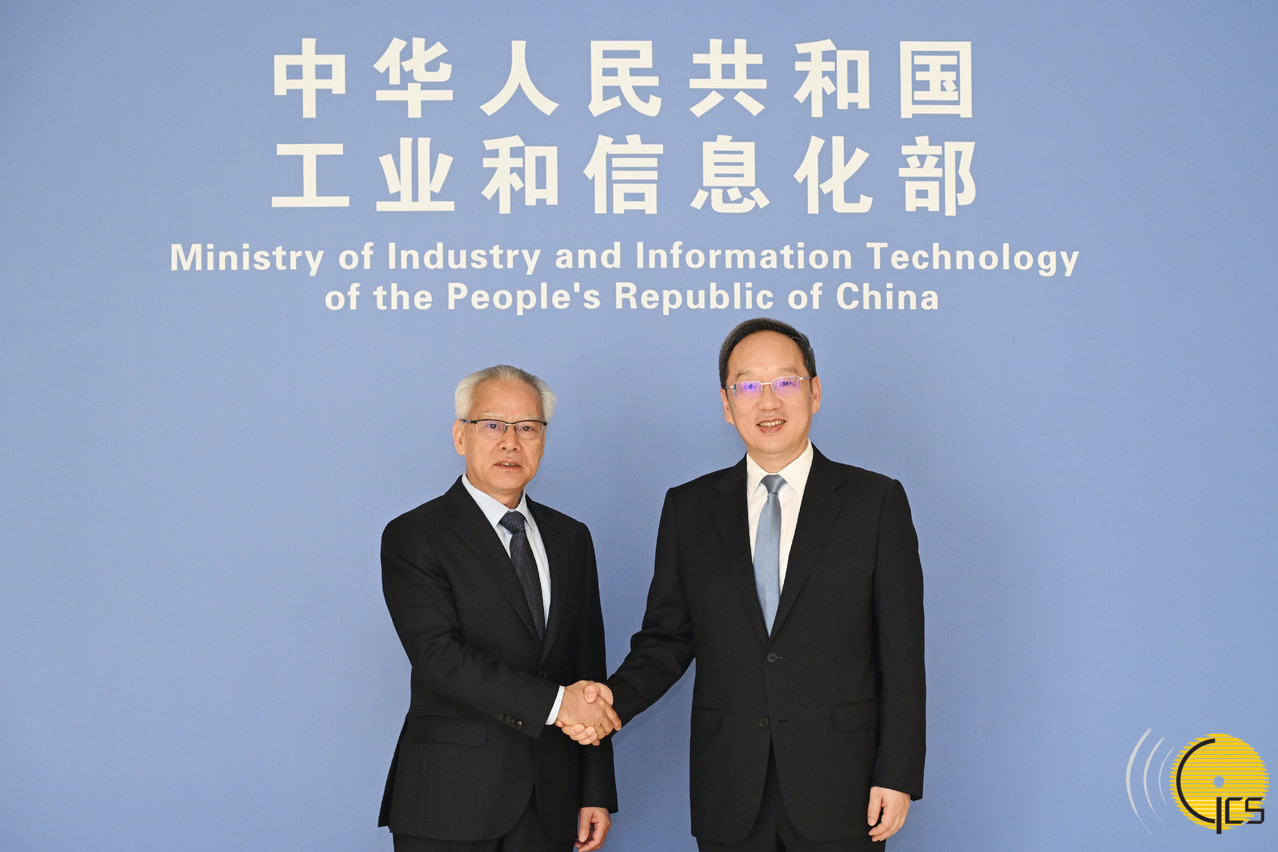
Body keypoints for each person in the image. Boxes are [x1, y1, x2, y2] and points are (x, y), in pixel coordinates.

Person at [576, 319, 926, 850]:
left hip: (844, 787)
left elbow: (901, 653)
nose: (768, 401)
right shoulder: (690, 509)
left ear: (814, 391)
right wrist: (612, 701)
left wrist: (896, 773)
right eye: (748, 386)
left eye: (785, 382)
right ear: (726, 403)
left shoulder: (875, 502)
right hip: (730, 789)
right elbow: (668, 640)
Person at [379, 365, 620, 852]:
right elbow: (439, 658)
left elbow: (587, 668)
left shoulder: (571, 538)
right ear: (460, 436)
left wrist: (595, 790)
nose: (511, 442)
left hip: (551, 801)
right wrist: (558, 705)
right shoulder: (414, 535)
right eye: (492, 425)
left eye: (527, 427)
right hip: (449, 800)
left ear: (542, 441)